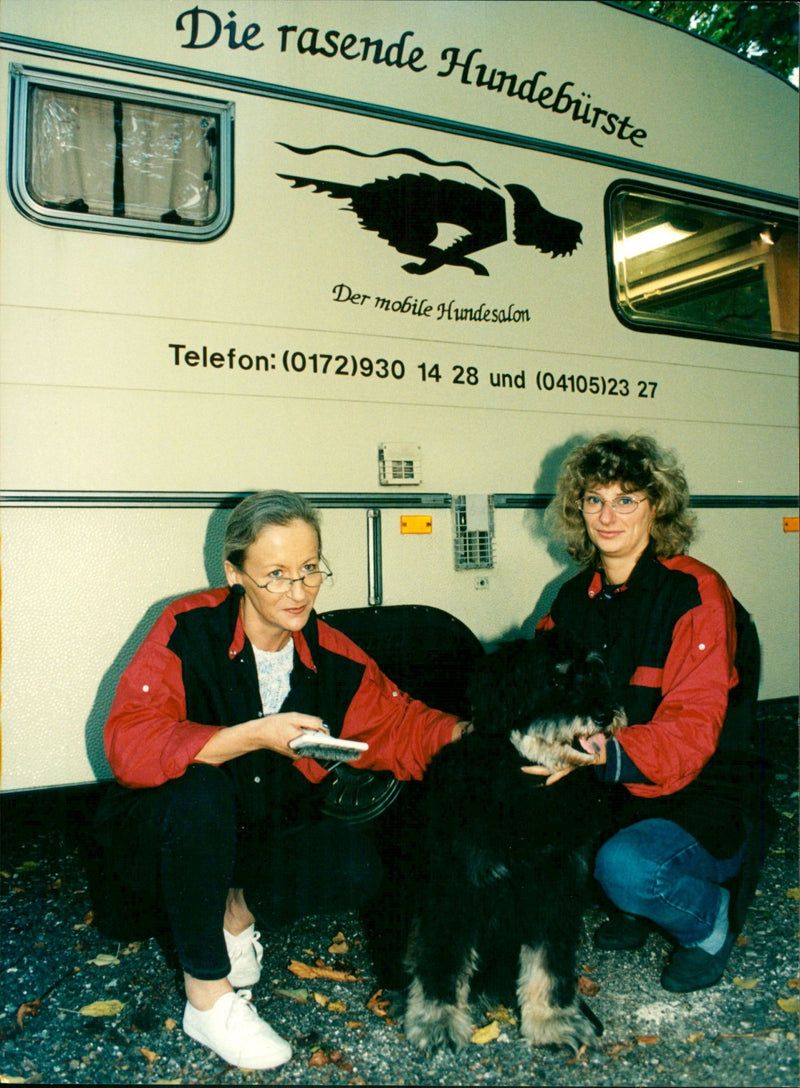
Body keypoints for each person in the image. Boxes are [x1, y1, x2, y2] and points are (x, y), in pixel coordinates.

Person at [94, 490, 468, 1070]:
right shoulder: (186, 627)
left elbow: (403, 728)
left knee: (354, 861)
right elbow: (128, 744)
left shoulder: (333, 653)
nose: (298, 592)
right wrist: (250, 735)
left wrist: (484, 738)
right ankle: (207, 999)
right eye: (275, 574)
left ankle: (234, 915)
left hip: (254, 840)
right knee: (201, 787)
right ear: (234, 571)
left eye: (310, 569)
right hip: (163, 846)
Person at [528, 433, 752, 994]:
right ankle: (632, 908)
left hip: (705, 791)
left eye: (627, 499)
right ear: (577, 509)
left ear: (657, 507)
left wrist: (592, 753)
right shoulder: (573, 597)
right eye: (594, 499)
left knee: (629, 870)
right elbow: (537, 687)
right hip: (616, 782)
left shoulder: (694, 591)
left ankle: (709, 922)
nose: (608, 515)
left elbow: (693, 734)